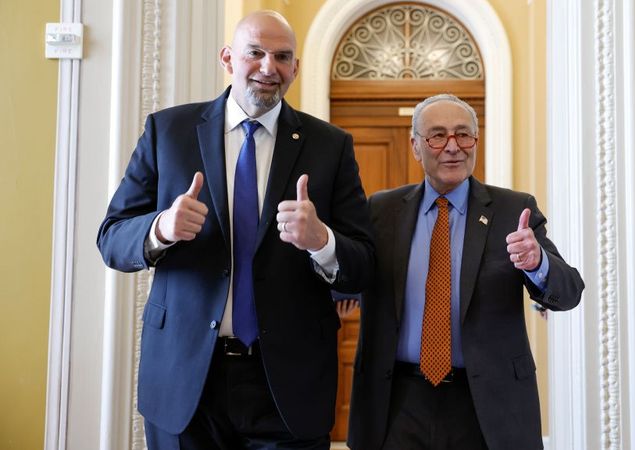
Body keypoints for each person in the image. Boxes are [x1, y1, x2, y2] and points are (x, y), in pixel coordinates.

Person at [97, 10, 373, 449]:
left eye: (282, 57)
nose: (269, 67)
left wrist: (323, 243)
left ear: (296, 69)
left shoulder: (330, 146)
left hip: (287, 384)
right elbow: (111, 238)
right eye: (255, 53)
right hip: (186, 379)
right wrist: (160, 228)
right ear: (228, 58)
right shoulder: (168, 131)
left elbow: (364, 265)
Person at [347, 94, 584, 450]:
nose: (453, 147)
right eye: (438, 135)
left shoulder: (513, 210)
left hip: (487, 403)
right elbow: (350, 273)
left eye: (463, 134)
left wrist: (538, 263)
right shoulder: (382, 209)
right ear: (415, 146)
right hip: (397, 401)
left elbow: (569, 292)